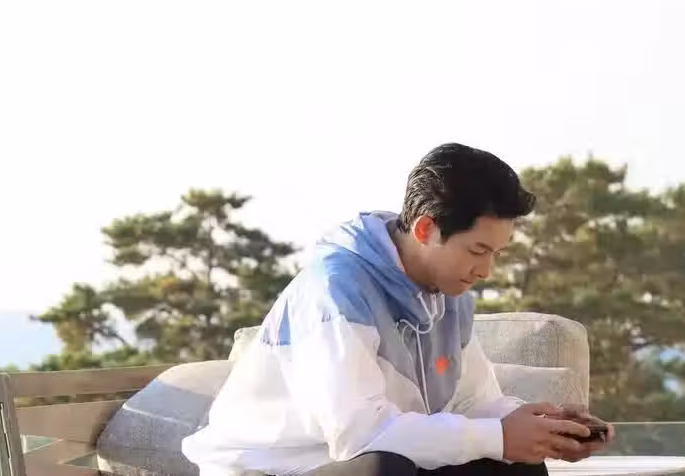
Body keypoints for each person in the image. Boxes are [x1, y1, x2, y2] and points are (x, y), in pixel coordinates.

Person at [182, 143, 614, 476]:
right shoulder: (336, 289)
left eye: (496, 254)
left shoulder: (450, 297)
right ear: (426, 228)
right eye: (477, 250)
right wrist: (497, 436)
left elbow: (472, 402)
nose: (486, 271)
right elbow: (358, 437)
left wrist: (538, 426)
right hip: (272, 468)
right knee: (383, 469)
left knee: (515, 466)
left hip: (360, 460)